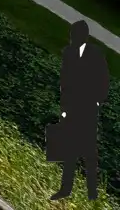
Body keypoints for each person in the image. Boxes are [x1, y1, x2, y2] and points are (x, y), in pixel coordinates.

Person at [47, 20, 109, 201]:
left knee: (89, 152)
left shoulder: (95, 55)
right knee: (70, 150)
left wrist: (96, 101)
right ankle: (65, 189)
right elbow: (65, 82)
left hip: (88, 109)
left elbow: (104, 82)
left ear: (83, 36)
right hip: (72, 108)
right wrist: (64, 108)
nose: (72, 38)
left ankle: (92, 192)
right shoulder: (68, 53)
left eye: (75, 35)